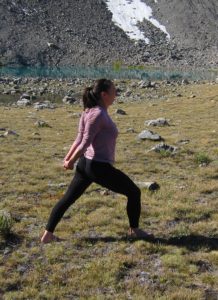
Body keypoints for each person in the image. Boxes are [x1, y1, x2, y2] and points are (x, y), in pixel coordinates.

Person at [40, 78, 153, 243]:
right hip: (98, 166)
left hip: (86, 164)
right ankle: (134, 230)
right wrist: (70, 161)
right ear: (104, 94)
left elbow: (79, 138)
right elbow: (84, 141)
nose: (116, 95)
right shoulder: (98, 114)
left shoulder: (89, 111)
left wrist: (68, 157)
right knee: (134, 192)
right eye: (114, 92)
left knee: (68, 199)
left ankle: (47, 235)